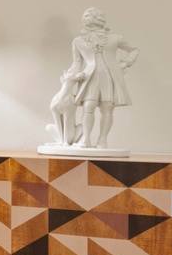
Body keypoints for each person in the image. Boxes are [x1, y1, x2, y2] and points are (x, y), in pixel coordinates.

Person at [46, 8, 137, 149]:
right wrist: (70, 75)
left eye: (87, 16)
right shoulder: (78, 41)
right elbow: (77, 62)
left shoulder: (115, 38)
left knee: (107, 107)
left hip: (110, 75)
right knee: (88, 106)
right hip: (89, 76)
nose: (84, 18)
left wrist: (125, 62)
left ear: (97, 18)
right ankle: (86, 140)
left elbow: (134, 49)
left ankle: (102, 140)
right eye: (83, 16)